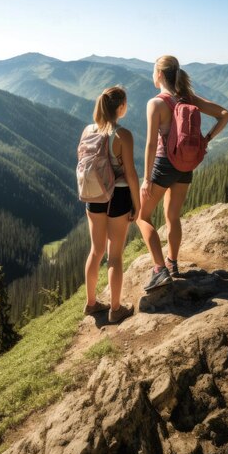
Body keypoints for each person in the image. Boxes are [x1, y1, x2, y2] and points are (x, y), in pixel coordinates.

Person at [137, 55, 228, 291]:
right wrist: (205, 139)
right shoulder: (188, 98)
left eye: (153, 71)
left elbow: (150, 144)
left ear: (159, 74)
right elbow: (225, 114)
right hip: (185, 165)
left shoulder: (156, 103)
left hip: (163, 164)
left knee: (142, 216)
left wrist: (147, 178)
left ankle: (159, 270)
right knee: (172, 216)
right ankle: (172, 263)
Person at [82, 86, 141, 323]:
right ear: (120, 107)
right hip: (118, 196)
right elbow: (131, 173)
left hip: (94, 195)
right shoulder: (122, 135)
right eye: (126, 103)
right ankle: (115, 309)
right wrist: (137, 204)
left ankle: (91, 303)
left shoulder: (88, 130)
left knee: (96, 250)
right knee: (114, 255)